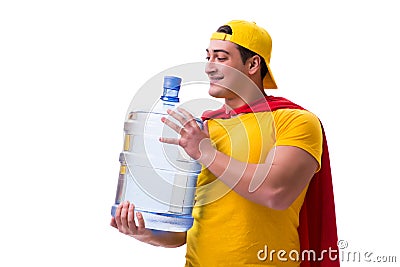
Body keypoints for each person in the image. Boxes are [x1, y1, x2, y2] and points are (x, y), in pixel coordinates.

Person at [111, 20, 339, 267]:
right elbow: (187, 228)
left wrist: (206, 153)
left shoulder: (295, 121)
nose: (209, 68)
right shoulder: (203, 128)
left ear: (253, 64)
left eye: (221, 58)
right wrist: (145, 232)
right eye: (208, 57)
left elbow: (276, 193)